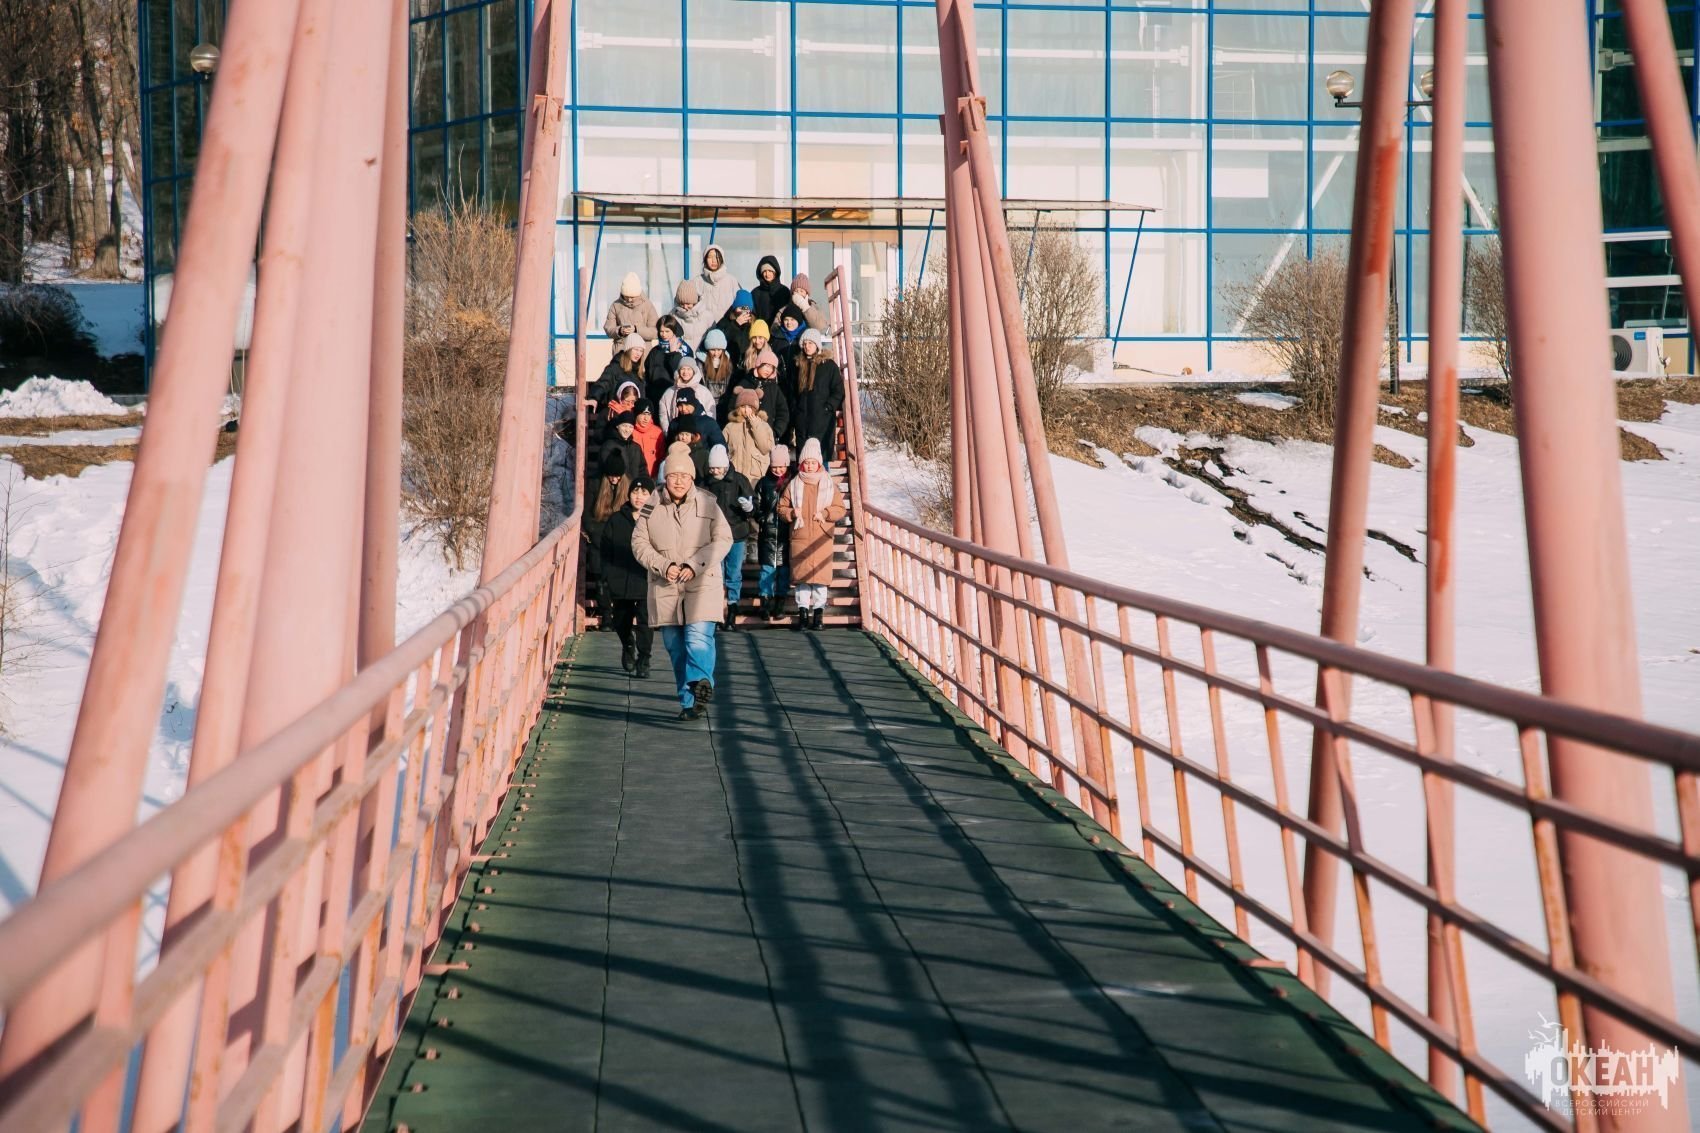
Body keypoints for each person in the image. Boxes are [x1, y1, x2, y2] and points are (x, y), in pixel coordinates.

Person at [632, 449, 733, 720]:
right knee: (675, 646)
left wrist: (694, 564)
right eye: (674, 475)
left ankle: (701, 684)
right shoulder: (651, 505)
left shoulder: (708, 503)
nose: (679, 481)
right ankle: (689, 702)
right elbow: (639, 543)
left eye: (684, 476)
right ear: (665, 477)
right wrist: (663, 565)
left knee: (697, 638)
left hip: (702, 582)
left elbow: (723, 539)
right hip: (666, 584)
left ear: (692, 478)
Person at [775, 438, 845, 630]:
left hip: (822, 537)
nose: (810, 466)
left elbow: (840, 509)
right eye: (807, 462)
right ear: (802, 463)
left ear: (819, 463)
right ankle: (803, 615)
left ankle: (819, 615)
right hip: (800, 537)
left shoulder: (829, 484)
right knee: (803, 581)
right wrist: (792, 513)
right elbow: (781, 508)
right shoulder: (794, 484)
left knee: (820, 580)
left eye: (813, 462)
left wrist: (826, 513)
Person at [599, 475, 656, 677]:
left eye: (644, 493)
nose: (639, 497)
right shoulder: (616, 520)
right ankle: (628, 644)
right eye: (635, 492)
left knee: (645, 622)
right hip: (620, 578)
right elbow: (605, 549)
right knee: (621, 620)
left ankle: (645, 658)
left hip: (646, 578)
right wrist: (605, 575)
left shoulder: (656, 520)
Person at [701, 444, 756, 631]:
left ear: (725, 466)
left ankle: (732, 609)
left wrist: (749, 507)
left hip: (736, 534)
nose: (715, 471)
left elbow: (753, 504)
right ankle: (717, 611)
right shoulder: (706, 483)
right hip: (714, 535)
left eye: (718, 468)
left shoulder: (739, 480)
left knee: (734, 573)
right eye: (712, 468)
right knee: (717, 575)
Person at [790, 328, 845, 457]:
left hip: (822, 420)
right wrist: (795, 410)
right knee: (803, 459)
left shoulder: (829, 366)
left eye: (810, 343)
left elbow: (838, 390)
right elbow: (792, 391)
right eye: (804, 344)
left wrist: (828, 407)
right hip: (802, 420)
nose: (807, 346)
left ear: (817, 345)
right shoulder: (798, 365)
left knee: (821, 458)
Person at [754, 445, 793, 622]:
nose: (778, 470)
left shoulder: (792, 482)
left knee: (783, 572)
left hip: (786, 534)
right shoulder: (763, 483)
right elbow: (756, 504)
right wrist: (761, 517)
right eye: (774, 466)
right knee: (766, 571)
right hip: (768, 533)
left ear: (787, 465)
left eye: (781, 466)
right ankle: (765, 604)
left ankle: (779, 604)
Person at [723, 386, 775, 485]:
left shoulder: (764, 425)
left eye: (750, 407)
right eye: (743, 407)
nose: (746, 410)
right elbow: (722, 449)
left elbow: (765, 448)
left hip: (755, 477)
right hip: (735, 475)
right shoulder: (730, 427)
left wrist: (756, 425)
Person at [646, 314, 695, 404]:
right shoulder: (655, 350)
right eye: (661, 331)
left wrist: (673, 353)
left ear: (674, 331)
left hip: (675, 396)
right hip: (655, 396)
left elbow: (682, 373)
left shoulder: (684, 350)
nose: (664, 335)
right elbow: (648, 374)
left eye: (667, 331)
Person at [658, 355, 717, 430]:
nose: (685, 372)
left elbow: (711, 413)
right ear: (679, 371)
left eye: (689, 369)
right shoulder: (669, 392)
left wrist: (707, 431)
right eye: (683, 369)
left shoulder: (704, 391)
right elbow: (663, 416)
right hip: (676, 432)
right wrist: (668, 432)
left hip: (700, 433)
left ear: (694, 371)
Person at [604, 272, 659, 346]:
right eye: (626, 296)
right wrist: (620, 330)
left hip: (643, 350)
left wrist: (636, 329)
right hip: (621, 350)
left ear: (638, 294)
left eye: (632, 297)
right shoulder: (615, 305)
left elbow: (655, 331)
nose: (629, 300)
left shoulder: (648, 305)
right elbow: (608, 328)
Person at [592, 335, 646, 409]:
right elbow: (603, 383)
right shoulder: (615, 367)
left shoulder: (639, 373)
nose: (638, 354)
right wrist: (594, 397)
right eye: (636, 349)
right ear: (628, 349)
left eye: (641, 351)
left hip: (633, 411)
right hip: (615, 410)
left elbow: (642, 397)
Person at [696, 244, 741, 328]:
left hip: (728, 330)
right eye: (710, 257)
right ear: (705, 259)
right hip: (703, 330)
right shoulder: (697, 281)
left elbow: (740, 305)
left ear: (722, 259)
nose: (714, 260)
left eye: (717, 257)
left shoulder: (732, 281)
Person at [670, 277, 715, 352]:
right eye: (681, 303)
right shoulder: (673, 316)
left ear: (695, 302)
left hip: (701, 357)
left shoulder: (707, 317)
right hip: (681, 357)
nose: (685, 307)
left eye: (688, 304)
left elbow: (712, 340)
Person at [713, 289, 755, 364]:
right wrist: (735, 325)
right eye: (741, 308)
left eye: (746, 308)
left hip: (746, 364)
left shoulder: (753, 324)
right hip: (728, 363)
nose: (743, 312)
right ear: (735, 308)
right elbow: (718, 340)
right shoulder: (725, 321)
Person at [665, 417, 711, 482]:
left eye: (687, 434)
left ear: (692, 436)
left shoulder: (703, 453)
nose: (684, 438)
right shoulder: (672, 451)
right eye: (681, 434)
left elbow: (708, 475)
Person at [752, 255, 792, 325]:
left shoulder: (784, 291)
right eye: (764, 271)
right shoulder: (755, 293)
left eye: (770, 271)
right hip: (760, 330)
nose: (767, 274)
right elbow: (752, 315)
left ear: (775, 272)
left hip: (780, 329)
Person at [699, 328, 736, 402]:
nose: (716, 354)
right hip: (706, 401)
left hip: (723, 402)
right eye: (712, 350)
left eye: (719, 350)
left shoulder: (728, 363)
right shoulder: (701, 363)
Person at [631, 399, 664, 476]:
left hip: (653, 476)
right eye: (643, 414)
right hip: (634, 476)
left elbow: (661, 456)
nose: (646, 418)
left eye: (649, 414)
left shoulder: (657, 432)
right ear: (636, 414)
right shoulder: (630, 431)